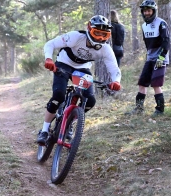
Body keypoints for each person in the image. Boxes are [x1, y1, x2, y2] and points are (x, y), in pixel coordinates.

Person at [37, 15, 122, 144]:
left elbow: (114, 69)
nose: (100, 38)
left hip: (82, 69)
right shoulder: (76, 37)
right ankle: (44, 130)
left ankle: (70, 121)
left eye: (104, 35)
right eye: (97, 33)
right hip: (64, 64)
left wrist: (116, 81)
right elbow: (51, 44)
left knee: (90, 100)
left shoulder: (105, 49)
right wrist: (48, 58)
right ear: (89, 29)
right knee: (58, 95)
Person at [125, 0, 169, 117]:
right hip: (150, 58)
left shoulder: (161, 23)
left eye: (149, 11)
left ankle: (160, 110)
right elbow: (147, 43)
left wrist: (161, 57)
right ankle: (139, 108)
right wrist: (149, 56)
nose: (147, 13)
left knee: (156, 84)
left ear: (153, 11)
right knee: (142, 83)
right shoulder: (144, 26)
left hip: (160, 58)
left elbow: (166, 42)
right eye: (145, 11)